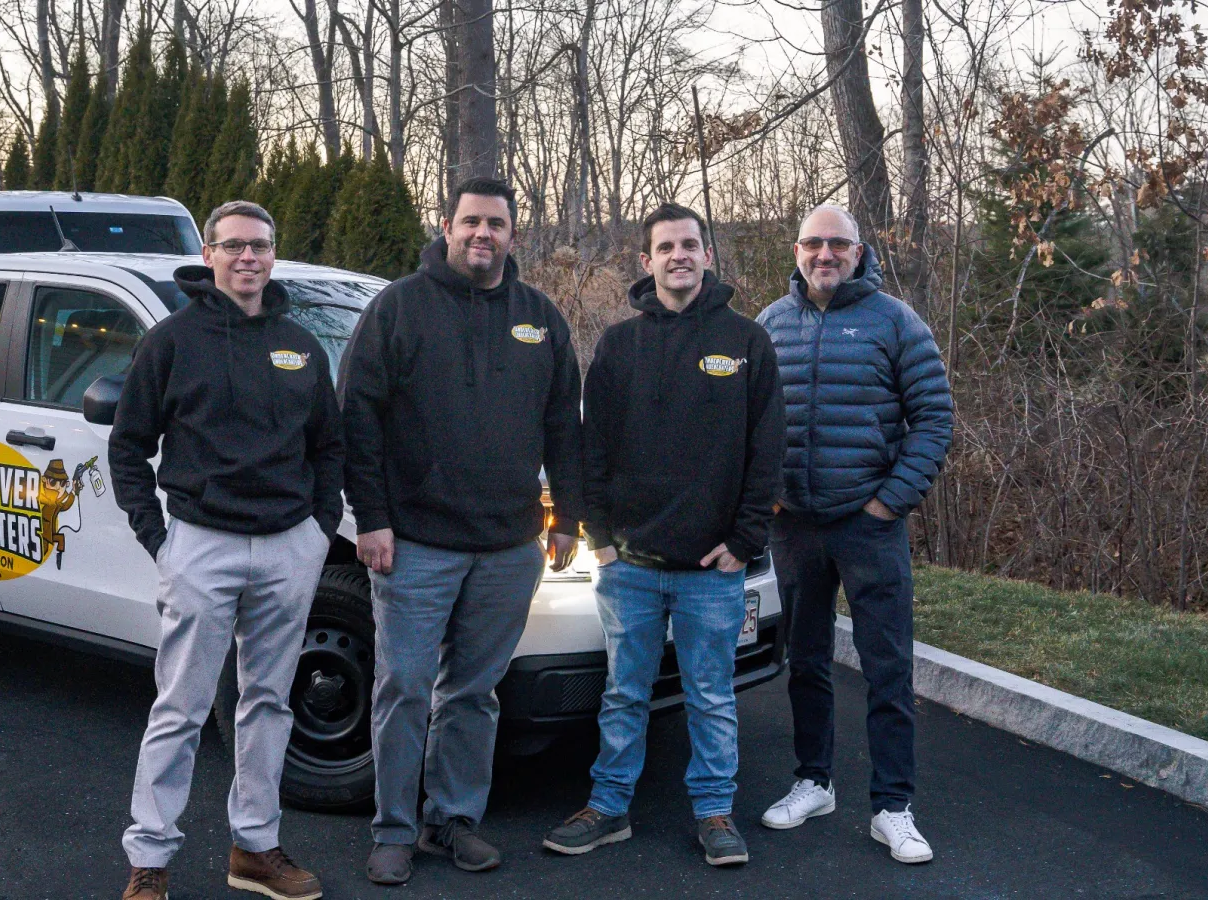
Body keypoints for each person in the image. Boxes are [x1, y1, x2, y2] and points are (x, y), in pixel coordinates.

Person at [340, 176, 586, 885]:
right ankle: (394, 828)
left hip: (509, 547)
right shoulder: (397, 308)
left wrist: (565, 517)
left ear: (514, 233)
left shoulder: (540, 318)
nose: (484, 234)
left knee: (474, 694)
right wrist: (373, 519)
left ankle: (455, 821)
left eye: (497, 224)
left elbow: (561, 426)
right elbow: (358, 418)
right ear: (446, 225)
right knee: (405, 687)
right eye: (471, 221)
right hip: (415, 544)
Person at [109, 200, 344, 900]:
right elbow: (128, 446)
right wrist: (161, 539)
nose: (249, 257)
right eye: (234, 245)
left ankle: (256, 848)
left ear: (274, 254)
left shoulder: (301, 344)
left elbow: (327, 445)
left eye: (261, 245)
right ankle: (148, 860)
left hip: (287, 549)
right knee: (179, 708)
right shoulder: (172, 341)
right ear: (209, 255)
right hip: (201, 545)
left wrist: (317, 530)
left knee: (269, 702)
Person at [542, 203, 784, 868]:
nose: (679, 255)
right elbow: (593, 450)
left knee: (711, 695)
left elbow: (767, 452)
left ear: (708, 256)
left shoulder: (745, 343)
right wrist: (603, 539)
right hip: (633, 565)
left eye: (690, 245)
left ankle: (714, 813)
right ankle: (609, 807)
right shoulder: (620, 345)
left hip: (714, 567)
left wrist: (744, 539)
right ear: (645, 262)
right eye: (665, 247)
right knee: (624, 692)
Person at [755, 205, 953, 864]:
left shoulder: (896, 322)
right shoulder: (771, 325)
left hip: (868, 525)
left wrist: (888, 504)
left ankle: (893, 806)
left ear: (859, 253)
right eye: (814, 243)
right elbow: (745, 422)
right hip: (795, 526)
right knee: (805, 660)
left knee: (887, 666)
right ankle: (814, 781)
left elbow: (932, 417)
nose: (825, 254)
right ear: (798, 249)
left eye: (838, 244)